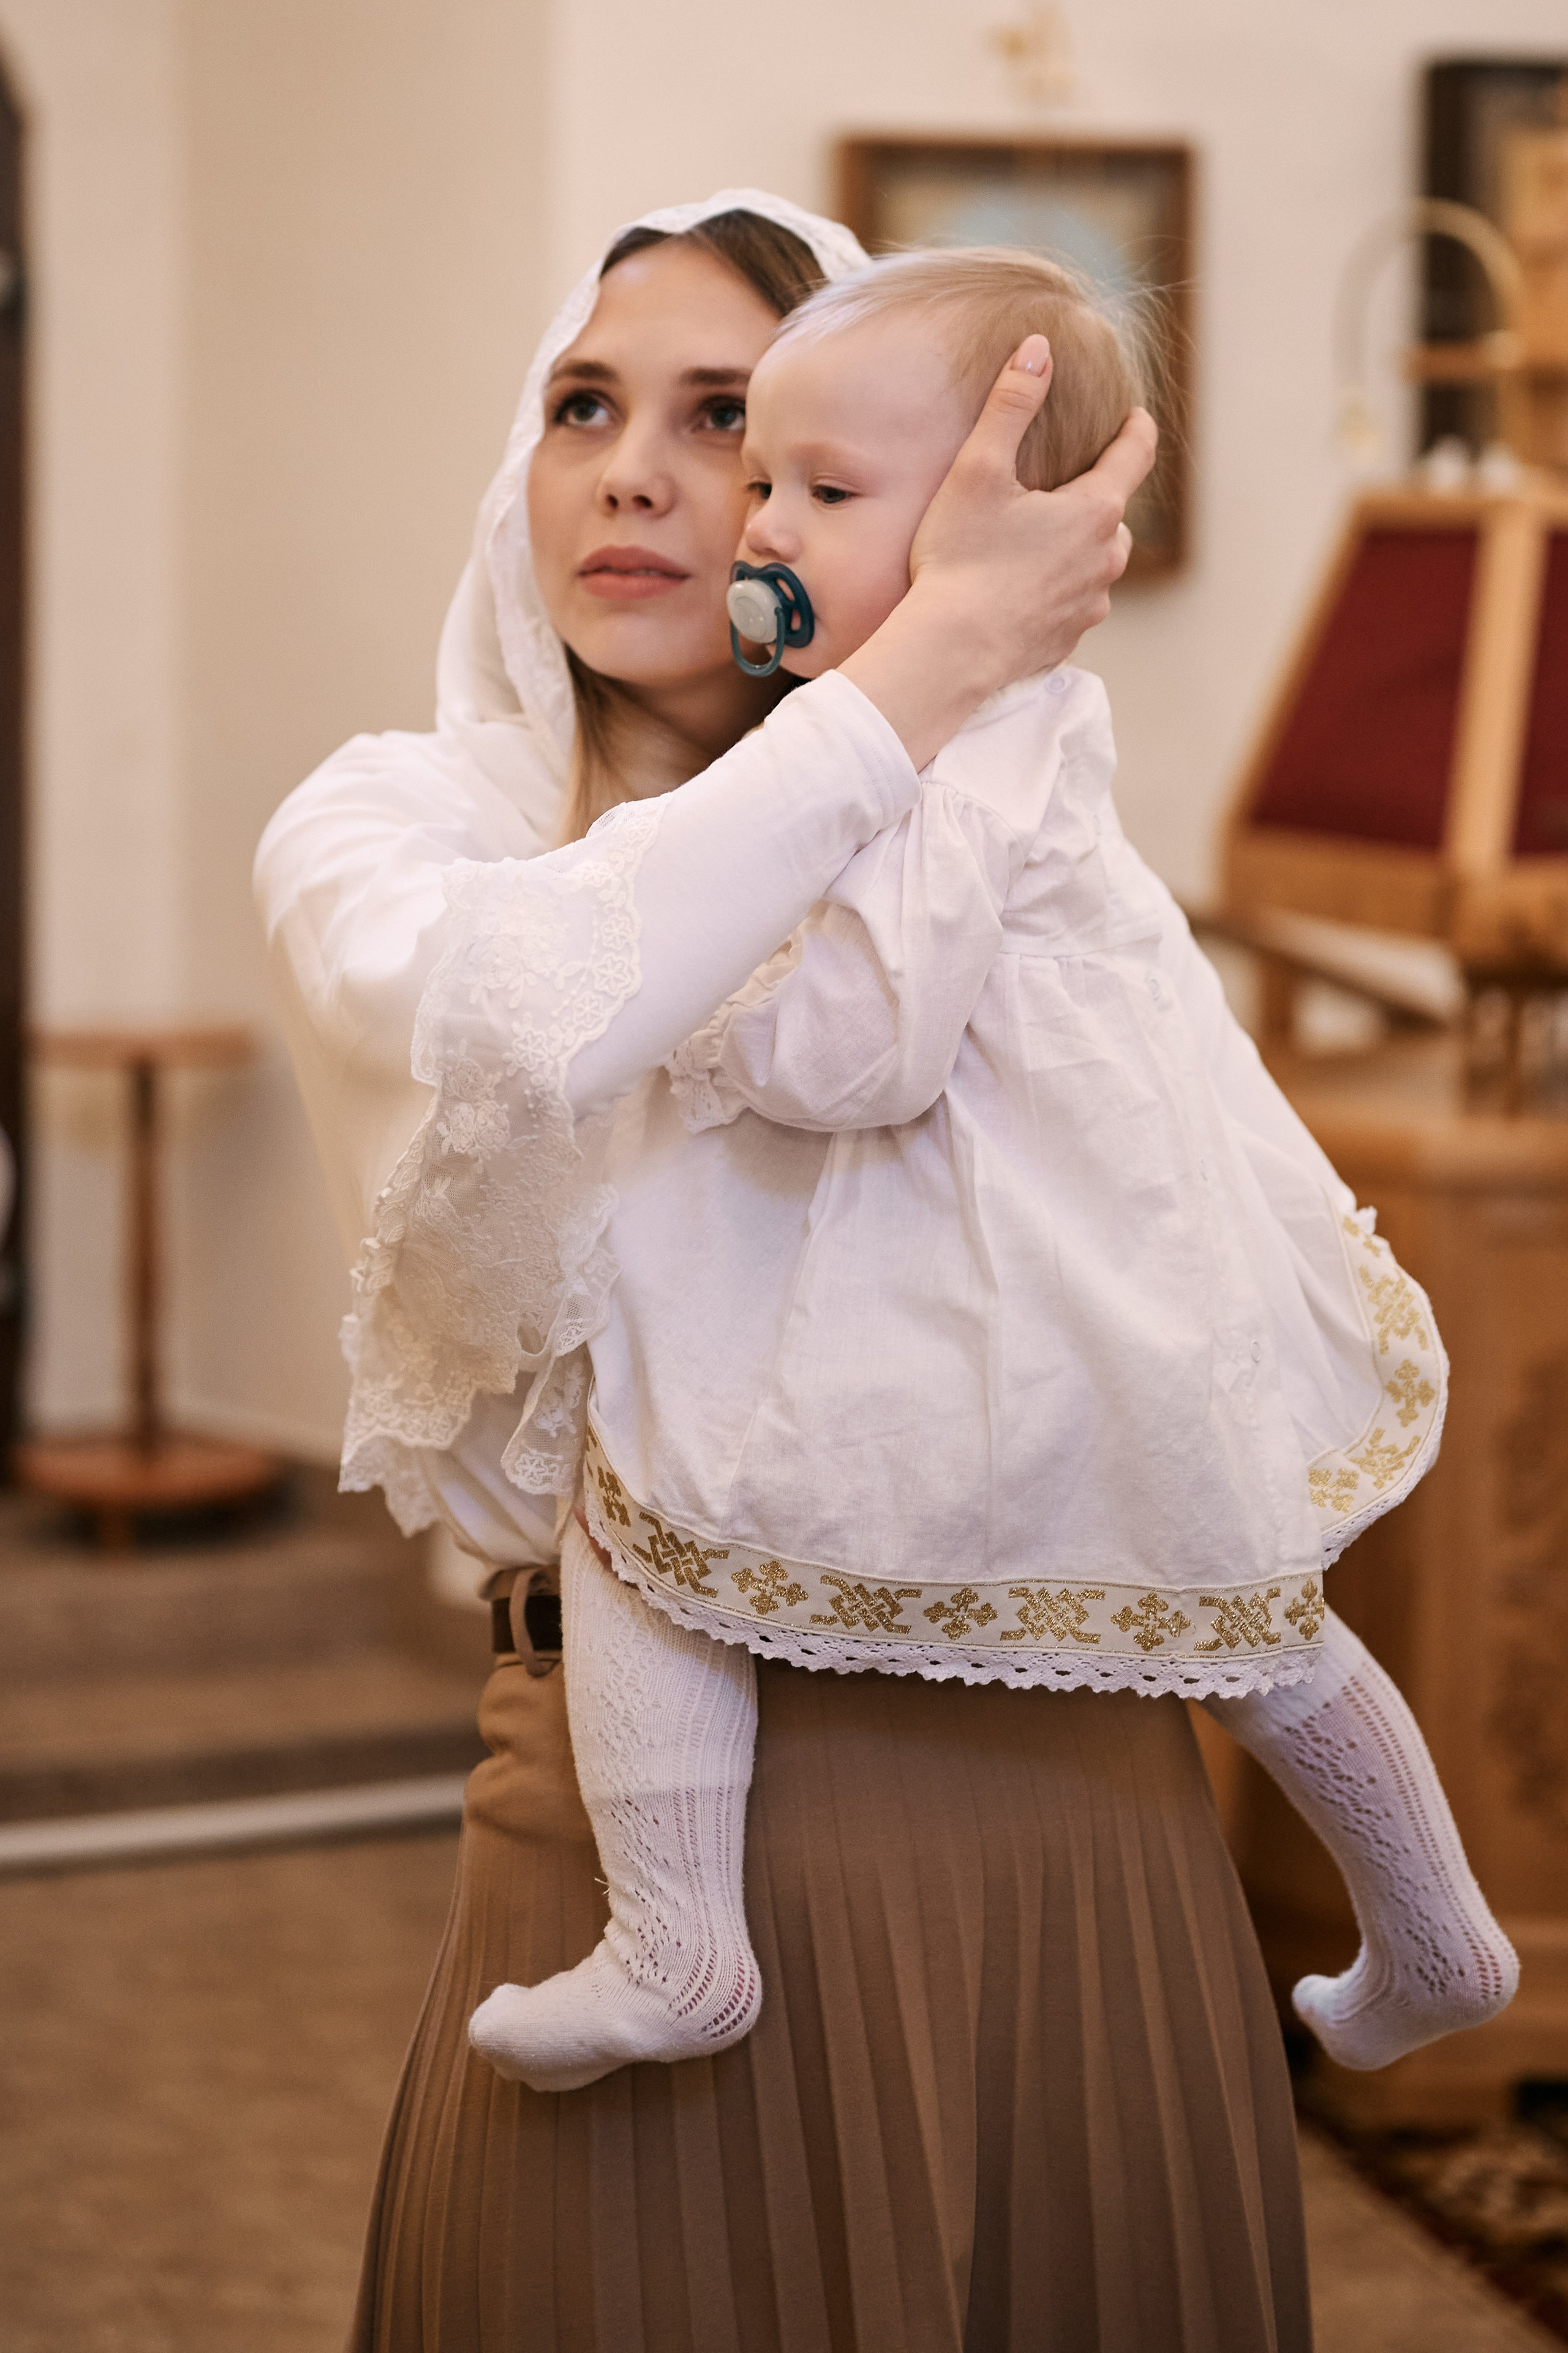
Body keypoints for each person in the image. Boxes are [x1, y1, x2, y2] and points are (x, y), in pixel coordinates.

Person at [258, 191, 1315, 2352]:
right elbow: (533, 1009)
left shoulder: (994, 823)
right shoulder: (398, 827)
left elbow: (1178, 1254)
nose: (642, 473)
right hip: (644, 1817)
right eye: (582, 406)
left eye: (730, 419)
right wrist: (930, 662)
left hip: (1065, 1774)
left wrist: (941, 695)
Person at [462, 243, 1516, 2105]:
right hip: (1070, 1257)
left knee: (644, 1493)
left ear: (1005, 534)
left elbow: (862, 1050)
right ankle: (1434, 1933)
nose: (759, 524)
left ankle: (678, 1938)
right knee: (1238, 1595)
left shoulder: (949, 754)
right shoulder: (969, 726)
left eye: (823, 489)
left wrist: (688, 1015)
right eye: (767, 479)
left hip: (1001, 1261)